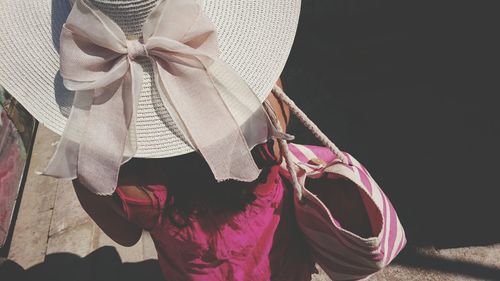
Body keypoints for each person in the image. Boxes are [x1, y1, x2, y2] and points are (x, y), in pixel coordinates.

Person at [0, 0, 405, 280]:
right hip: (281, 259)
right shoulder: (261, 103)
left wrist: (87, 160)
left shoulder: (112, 178)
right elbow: (280, 126)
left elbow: (124, 235)